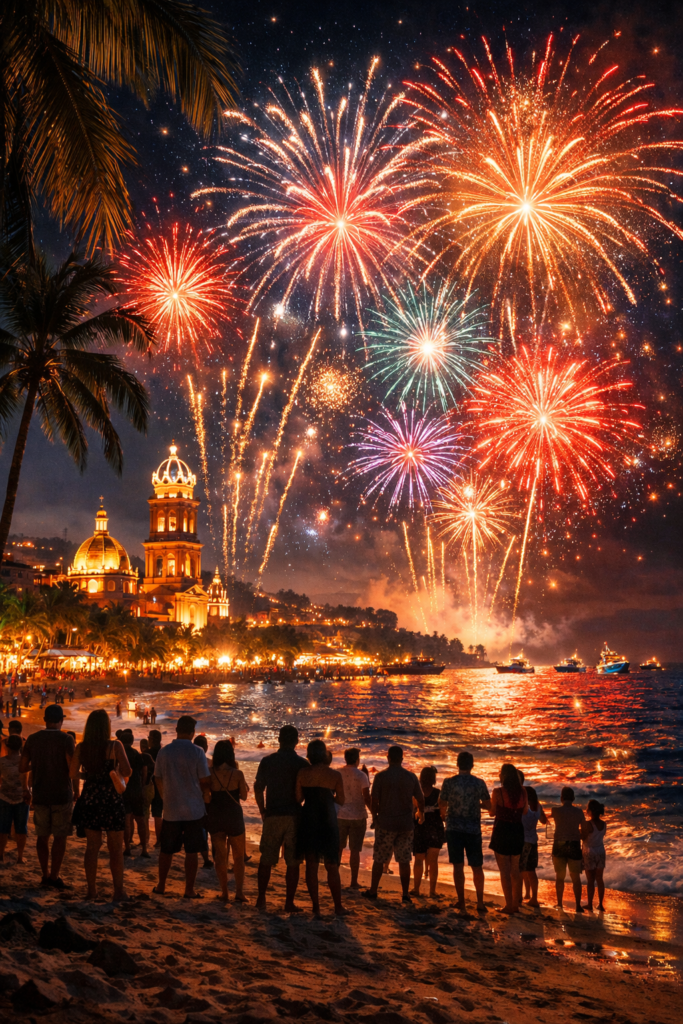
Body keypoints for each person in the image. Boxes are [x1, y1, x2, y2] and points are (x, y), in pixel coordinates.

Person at [70, 709, 131, 901]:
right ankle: (119, 891)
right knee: (115, 849)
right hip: (111, 799)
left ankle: (91, 891)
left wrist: (89, 776)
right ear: (107, 726)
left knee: (92, 847)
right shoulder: (116, 746)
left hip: (90, 799)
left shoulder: (82, 747)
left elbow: (72, 774)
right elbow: (128, 770)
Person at [152, 716, 211, 899]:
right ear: (193, 732)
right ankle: (189, 890)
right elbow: (204, 780)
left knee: (166, 850)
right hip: (193, 809)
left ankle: (161, 886)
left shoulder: (165, 752)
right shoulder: (198, 751)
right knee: (191, 851)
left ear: (177, 729)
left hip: (171, 808)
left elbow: (158, 777)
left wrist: (164, 796)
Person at [254, 725, 309, 912]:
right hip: (294, 815)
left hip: (273, 814)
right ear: (296, 741)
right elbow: (305, 795)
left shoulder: (268, 761)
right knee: (293, 862)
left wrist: (262, 810)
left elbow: (258, 788)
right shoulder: (302, 764)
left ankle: (261, 899)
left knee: (267, 858)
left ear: (278, 740)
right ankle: (288, 902)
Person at [20, 704, 75, 889]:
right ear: (61, 720)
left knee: (42, 837)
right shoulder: (66, 739)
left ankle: (44, 874)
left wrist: (37, 765)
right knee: (60, 837)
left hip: (40, 794)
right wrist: (77, 792)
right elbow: (72, 769)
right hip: (61, 794)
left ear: (45, 720)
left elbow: (22, 767)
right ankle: (54, 876)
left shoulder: (33, 739)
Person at [365, 746, 424, 903]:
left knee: (379, 858)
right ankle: (405, 894)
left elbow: (374, 801)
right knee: (404, 860)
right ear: (402, 759)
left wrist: (375, 817)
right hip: (405, 824)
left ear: (388, 758)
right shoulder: (411, 777)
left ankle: (373, 891)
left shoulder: (381, 777)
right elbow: (421, 798)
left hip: (386, 823)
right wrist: (421, 814)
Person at [295, 740, 346, 916]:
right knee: (332, 864)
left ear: (309, 754)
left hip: (309, 818)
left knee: (311, 864)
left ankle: (316, 907)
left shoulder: (303, 772)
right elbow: (341, 800)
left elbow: (298, 798)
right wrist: (327, 797)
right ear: (324, 755)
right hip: (328, 819)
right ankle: (338, 906)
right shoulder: (334, 775)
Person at [439, 751, 491, 913]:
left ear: (457, 764)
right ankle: (480, 903)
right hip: (473, 829)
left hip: (454, 828)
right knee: (477, 866)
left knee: (458, 866)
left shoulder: (449, 782)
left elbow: (442, 804)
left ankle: (461, 901)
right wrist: (476, 804)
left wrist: (445, 814)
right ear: (472, 765)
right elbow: (488, 806)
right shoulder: (479, 783)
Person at [206, 739, 249, 902]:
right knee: (238, 857)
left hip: (216, 815)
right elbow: (244, 797)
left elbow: (207, 797)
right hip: (233, 815)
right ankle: (239, 892)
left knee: (220, 857)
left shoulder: (210, 772)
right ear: (231, 754)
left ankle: (224, 893)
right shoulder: (237, 774)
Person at [489, 763, 528, 914]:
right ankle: (516, 905)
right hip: (517, 830)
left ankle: (508, 905)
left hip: (502, 830)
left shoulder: (498, 792)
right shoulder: (523, 792)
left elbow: (492, 812)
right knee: (515, 870)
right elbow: (524, 811)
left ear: (503, 776)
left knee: (504, 871)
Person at [337, 747, 371, 889]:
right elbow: (366, 797)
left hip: (340, 814)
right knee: (355, 850)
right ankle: (353, 881)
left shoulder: (338, 773)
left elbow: (333, 793)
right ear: (357, 759)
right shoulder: (361, 775)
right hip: (358, 815)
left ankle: (335, 877)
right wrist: (374, 813)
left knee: (338, 848)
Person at [550, 786, 586, 913]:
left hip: (559, 844)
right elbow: (585, 829)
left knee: (560, 876)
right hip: (574, 844)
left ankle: (559, 903)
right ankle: (577, 905)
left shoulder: (555, 810)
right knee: (575, 877)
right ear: (573, 798)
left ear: (561, 798)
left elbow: (547, 822)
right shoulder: (579, 812)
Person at [412, 766, 445, 898]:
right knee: (433, 861)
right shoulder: (438, 793)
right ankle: (432, 891)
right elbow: (442, 814)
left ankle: (416, 889)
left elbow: (414, 809)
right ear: (433, 778)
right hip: (435, 828)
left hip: (419, 828)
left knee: (418, 860)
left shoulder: (415, 793)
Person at [0, 735, 30, 863]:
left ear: (7, 746)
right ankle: (20, 856)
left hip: (4, 797)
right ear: (21, 746)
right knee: (21, 828)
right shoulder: (25, 762)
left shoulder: (1, 761)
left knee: (3, 828)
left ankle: (0, 854)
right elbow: (29, 781)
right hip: (22, 797)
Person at [120, 730, 150, 858]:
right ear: (132, 741)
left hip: (124, 790)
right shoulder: (137, 754)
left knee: (126, 821)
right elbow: (144, 769)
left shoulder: (119, 754)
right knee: (141, 820)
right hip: (136, 790)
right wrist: (142, 785)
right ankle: (144, 849)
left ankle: (127, 848)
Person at [519, 778, 547, 907]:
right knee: (531, 870)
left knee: (520, 869)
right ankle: (533, 897)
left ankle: (520, 895)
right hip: (533, 841)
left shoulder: (523, 807)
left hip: (522, 840)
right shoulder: (538, 806)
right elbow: (543, 821)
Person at [582, 799, 607, 912]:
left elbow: (583, 837)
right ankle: (601, 904)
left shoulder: (588, 824)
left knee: (590, 880)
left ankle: (590, 904)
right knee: (599, 879)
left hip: (589, 852)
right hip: (600, 851)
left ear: (590, 811)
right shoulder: (603, 824)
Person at [194, 734, 214, 868]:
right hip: (209, 800)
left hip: (194, 800)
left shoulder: (189, 763)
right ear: (206, 747)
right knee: (212, 831)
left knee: (201, 832)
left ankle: (205, 858)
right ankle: (213, 858)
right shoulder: (210, 763)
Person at [147, 729, 164, 847]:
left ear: (152, 740)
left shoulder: (147, 754)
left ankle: (157, 840)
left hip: (151, 786)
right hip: (165, 785)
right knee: (165, 815)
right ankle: (163, 839)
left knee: (155, 814)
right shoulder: (164, 753)